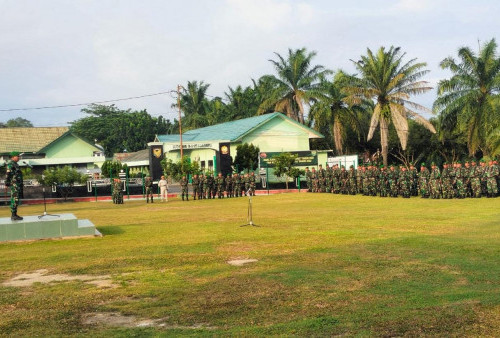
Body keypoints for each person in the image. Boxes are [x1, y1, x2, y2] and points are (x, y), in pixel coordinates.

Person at [5, 151, 24, 220]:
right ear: (13, 157)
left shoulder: (15, 164)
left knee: (16, 199)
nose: (19, 157)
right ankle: (13, 215)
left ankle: (15, 214)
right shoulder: (10, 164)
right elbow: (8, 174)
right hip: (14, 184)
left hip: (18, 184)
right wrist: (6, 183)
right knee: (14, 199)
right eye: (17, 156)